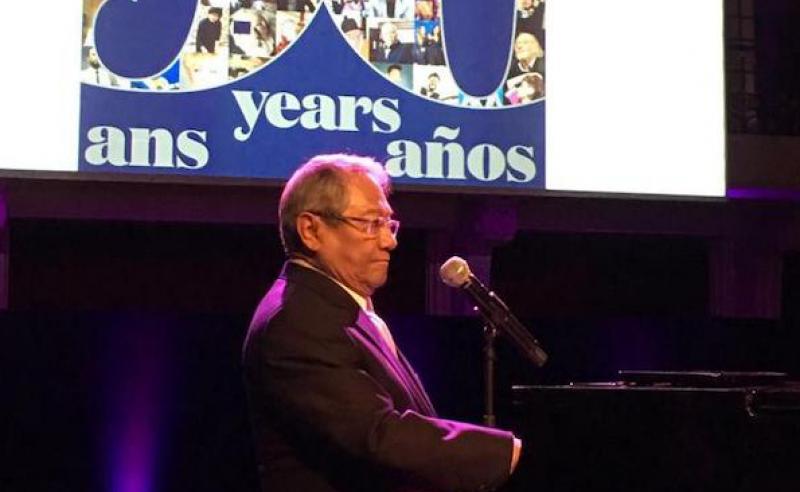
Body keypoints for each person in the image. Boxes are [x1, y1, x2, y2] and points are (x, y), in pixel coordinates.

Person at [243, 154, 522, 492]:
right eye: (370, 224)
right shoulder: (295, 321)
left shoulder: (338, 308)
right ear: (311, 230)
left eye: (389, 224)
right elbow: (377, 434)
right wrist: (505, 453)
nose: (390, 241)